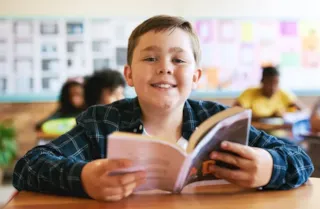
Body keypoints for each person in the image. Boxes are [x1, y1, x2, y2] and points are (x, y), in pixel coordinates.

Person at [13, 15, 313, 202]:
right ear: (129, 75)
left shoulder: (219, 122)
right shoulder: (101, 122)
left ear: (195, 77)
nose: (165, 69)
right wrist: (83, 178)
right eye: (151, 58)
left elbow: (301, 159)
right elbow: (28, 167)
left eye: (179, 60)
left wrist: (271, 167)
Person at [234, 66, 303, 121]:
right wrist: (270, 117)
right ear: (262, 81)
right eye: (269, 83)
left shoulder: (284, 94)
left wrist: (286, 115)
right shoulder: (249, 93)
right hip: (256, 134)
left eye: (276, 83)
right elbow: (236, 113)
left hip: (278, 134)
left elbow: (303, 112)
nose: (273, 87)